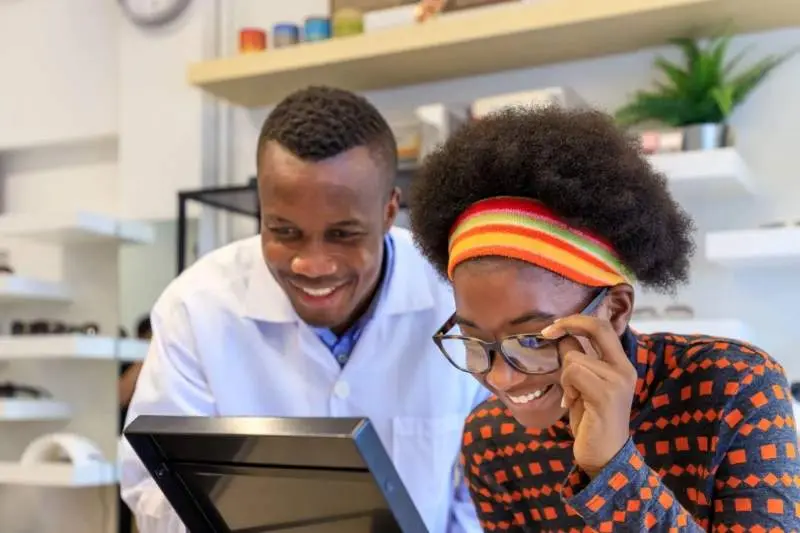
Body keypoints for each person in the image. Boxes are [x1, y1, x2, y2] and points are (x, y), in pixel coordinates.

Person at [408, 105, 800, 531]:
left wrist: (613, 468)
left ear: (614, 311)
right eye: (473, 341)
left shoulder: (735, 388)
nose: (501, 379)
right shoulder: (492, 439)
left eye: (534, 339)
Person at [118, 86, 485, 533]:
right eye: (285, 231)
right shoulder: (196, 308)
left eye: (344, 234)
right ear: (261, 212)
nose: (312, 264)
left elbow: (482, 490)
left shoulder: (456, 297)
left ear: (390, 211)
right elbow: (154, 489)